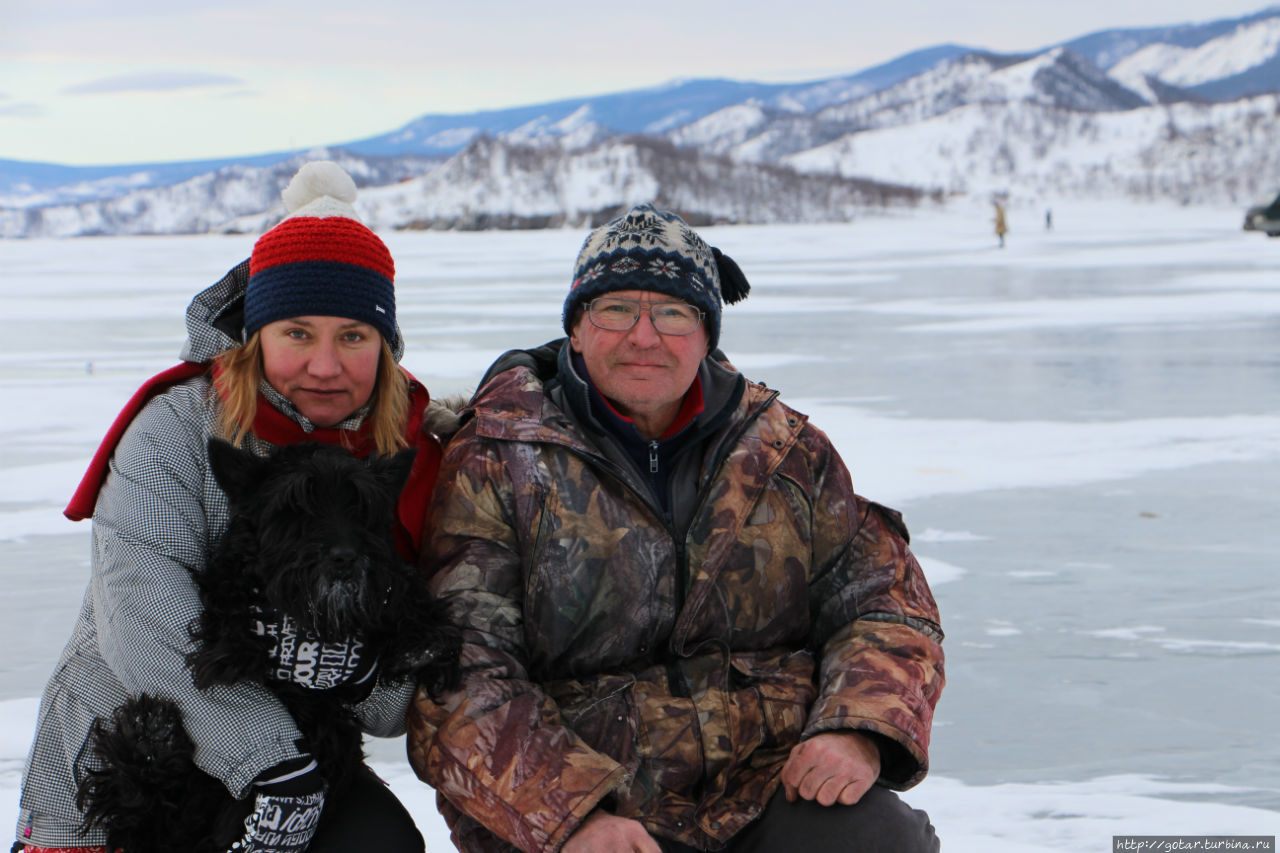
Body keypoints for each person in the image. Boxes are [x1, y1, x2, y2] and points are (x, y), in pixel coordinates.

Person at [406, 204, 945, 852]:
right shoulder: (496, 458)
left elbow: (886, 598)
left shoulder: (783, 450)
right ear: (576, 329)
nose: (644, 335)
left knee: (882, 839)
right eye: (616, 310)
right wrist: (571, 816)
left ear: (705, 332)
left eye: (671, 312)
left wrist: (857, 727)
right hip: (579, 807)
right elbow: (459, 676)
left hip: (760, 785)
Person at [13, 161, 451, 853]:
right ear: (256, 336)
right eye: (298, 333)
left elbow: (403, 663)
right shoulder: (175, 429)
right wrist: (274, 767)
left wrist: (363, 673)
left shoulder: (401, 455)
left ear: (386, 347)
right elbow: (142, 616)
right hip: (135, 746)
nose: (326, 365)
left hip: (307, 749)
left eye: (353, 336)